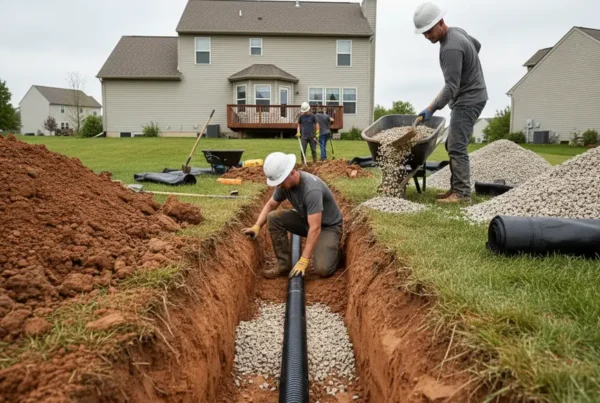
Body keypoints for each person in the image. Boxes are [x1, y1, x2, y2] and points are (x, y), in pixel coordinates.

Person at [413, 2, 488, 203]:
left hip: (468, 99)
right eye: (424, 33)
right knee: (452, 143)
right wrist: (467, 67)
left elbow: (451, 88)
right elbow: (477, 45)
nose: (427, 36)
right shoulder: (457, 32)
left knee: (457, 146)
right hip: (473, 95)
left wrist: (431, 109)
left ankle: (462, 194)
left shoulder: (450, 48)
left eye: (429, 31)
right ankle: (456, 188)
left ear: (440, 22)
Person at [241, 152, 343, 279]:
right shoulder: (285, 185)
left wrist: (304, 260)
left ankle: (335, 252)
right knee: (273, 217)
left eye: (280, 181)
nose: (279, 185)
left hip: (327, 227)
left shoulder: (312, 190)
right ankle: (284, 264)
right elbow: (271, 204)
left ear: (291, 172)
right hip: (306, 219)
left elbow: (315, 228)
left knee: (323, 269)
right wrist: (257, 226)